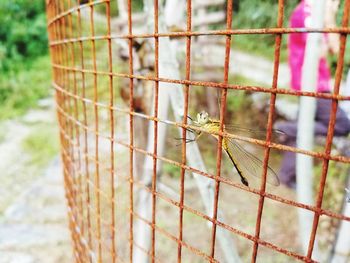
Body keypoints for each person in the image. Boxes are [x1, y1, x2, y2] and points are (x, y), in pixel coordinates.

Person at [277, 0, 350, 188]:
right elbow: (318, 52)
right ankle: (287, 127)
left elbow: (334, 47)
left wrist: (329, 18)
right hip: (311, 83)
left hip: (315, 82)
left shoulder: (315, 13)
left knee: (304, 130)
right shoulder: (305, 14)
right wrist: (328, 18)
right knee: (342, 125)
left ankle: (286, 175)